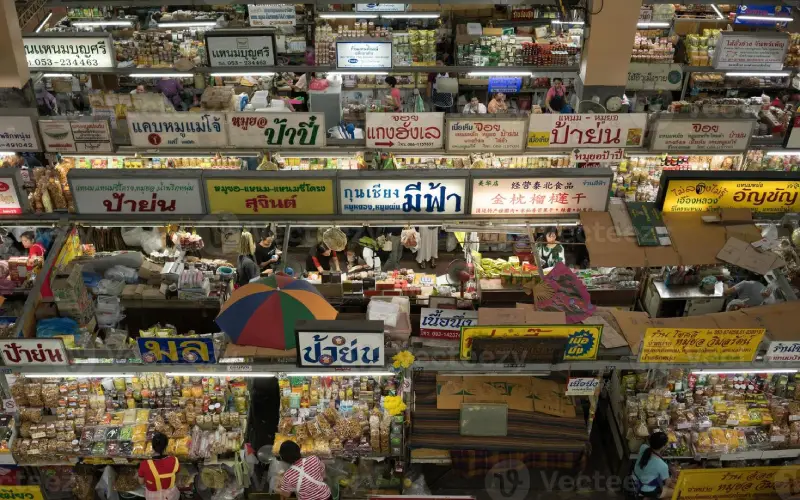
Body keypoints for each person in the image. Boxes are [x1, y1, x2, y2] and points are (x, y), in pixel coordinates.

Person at [138, 432, 180, 500]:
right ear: (166, 446)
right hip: (170, 494)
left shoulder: (144, 464)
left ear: (152, 446)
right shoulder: (174, 460)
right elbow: (176, 479)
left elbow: (141, 482)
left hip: (153, 496)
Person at [633, 431, 673, 499]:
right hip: (646, 490)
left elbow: (651, 462)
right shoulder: (662, 465)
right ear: (663, 446)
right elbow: (668, 483)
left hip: (635, 480)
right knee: (676, 491)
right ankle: (649, 497)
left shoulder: (643, 447)